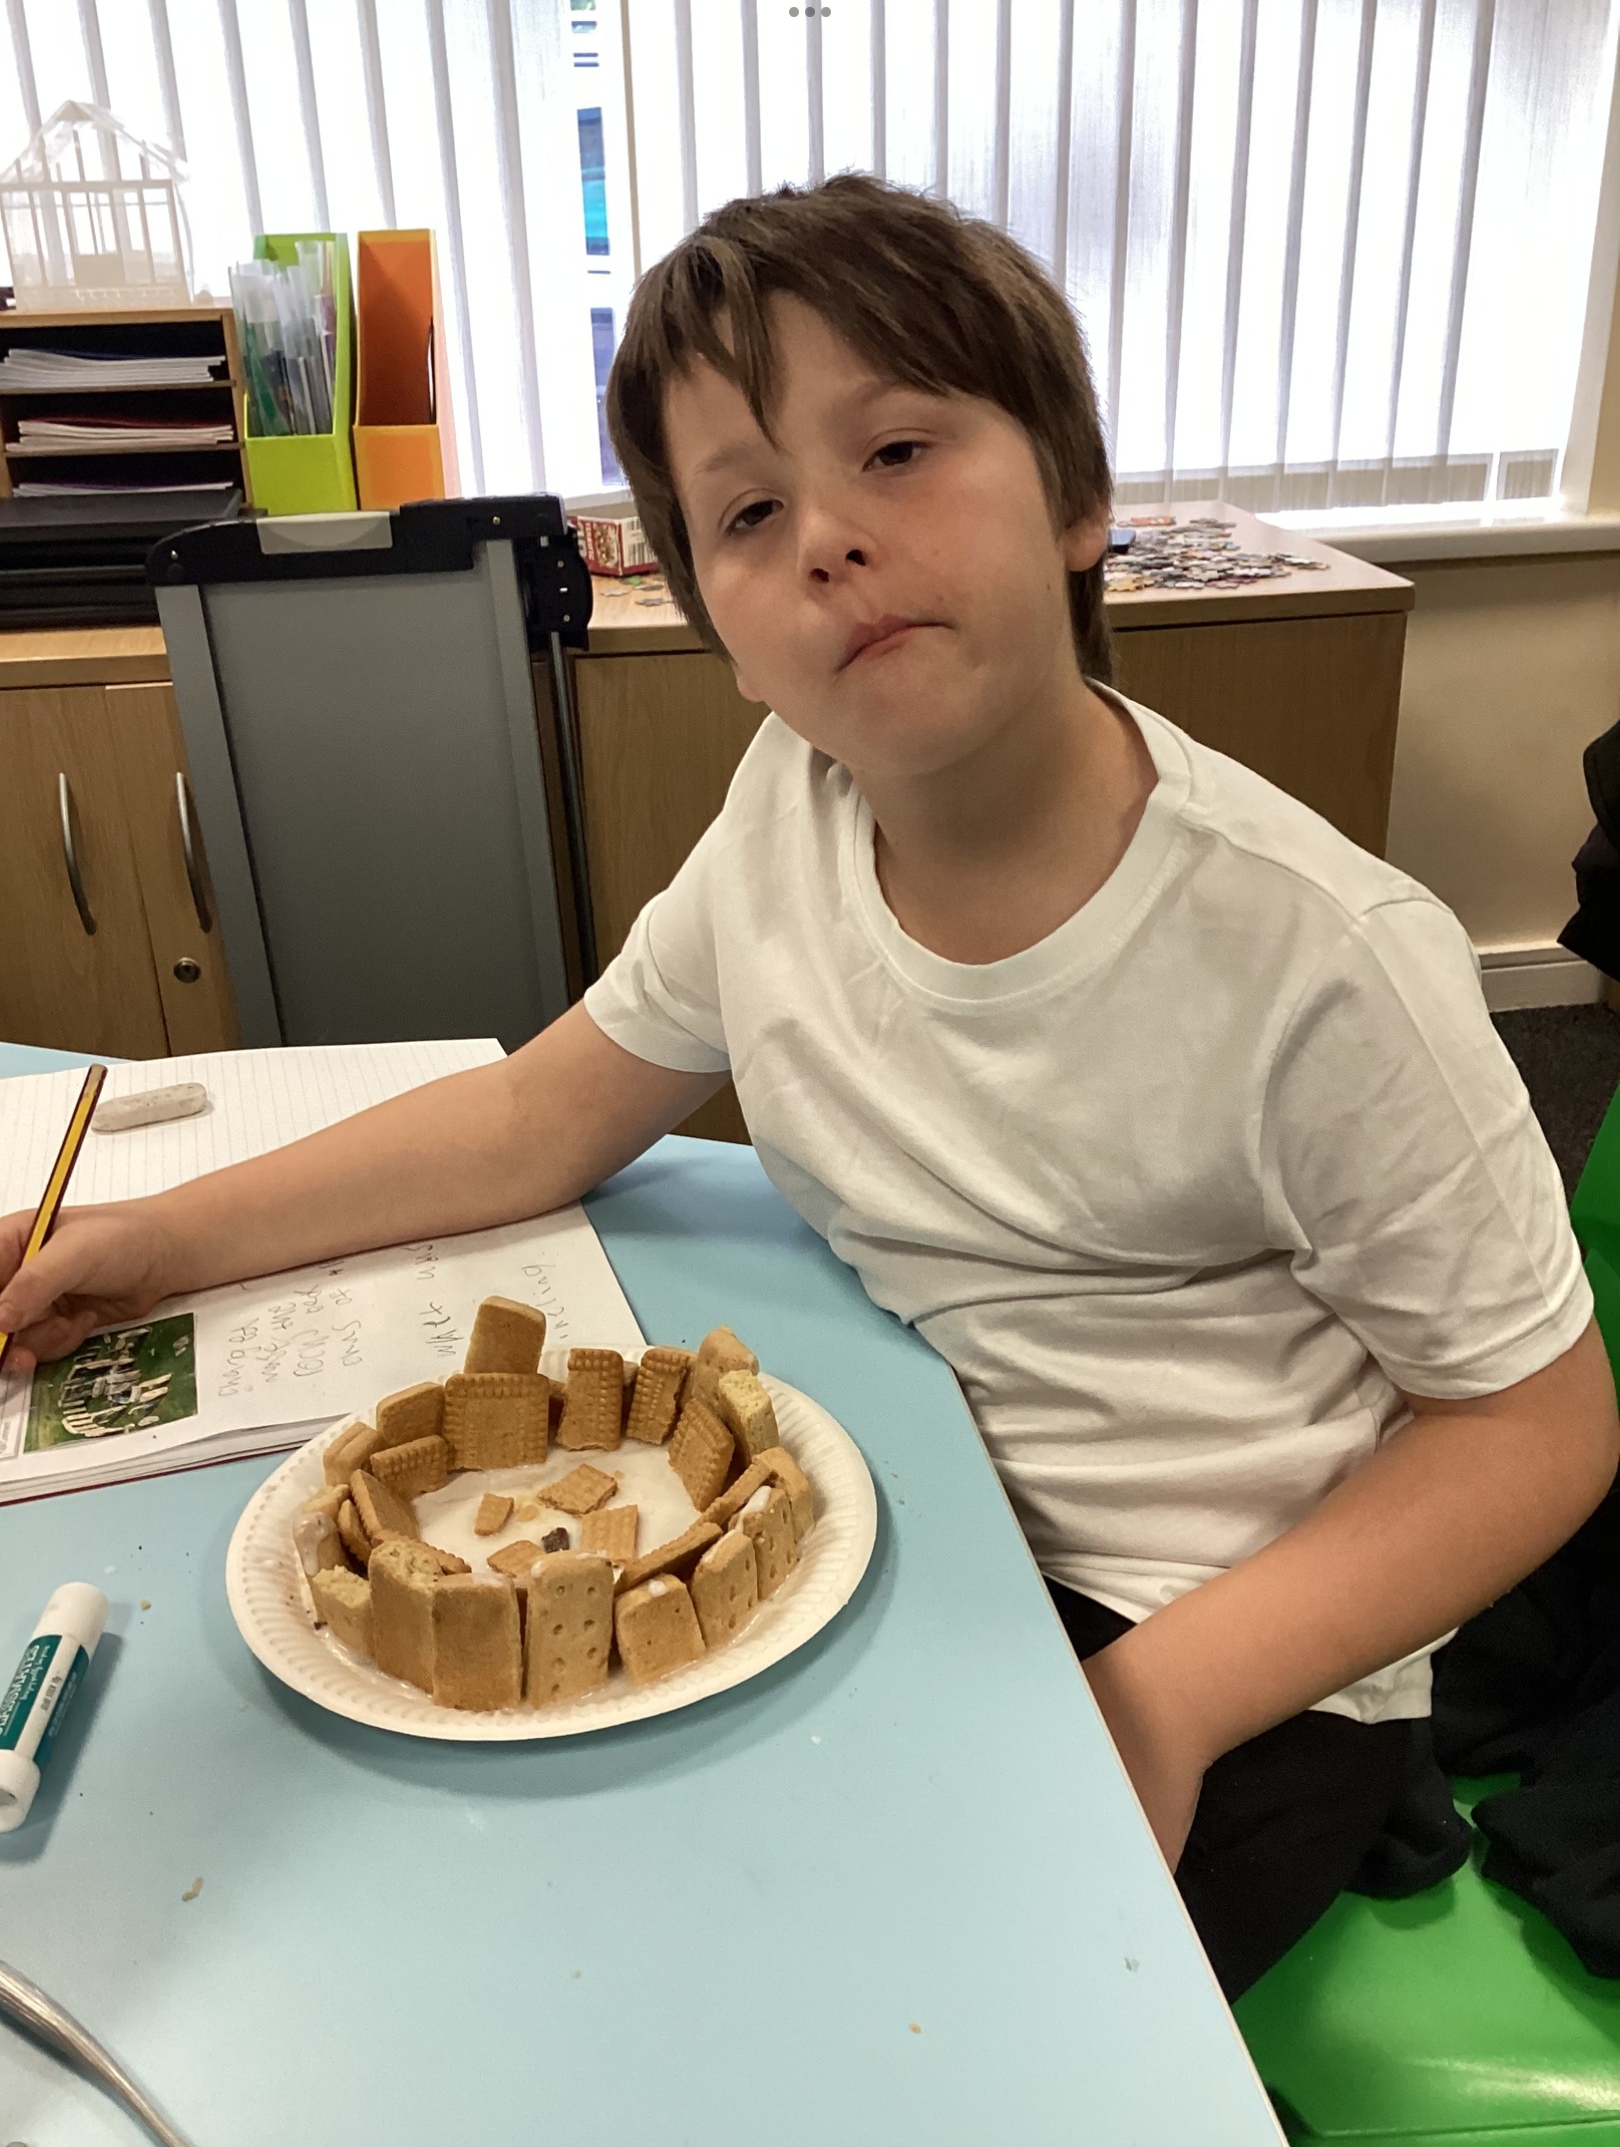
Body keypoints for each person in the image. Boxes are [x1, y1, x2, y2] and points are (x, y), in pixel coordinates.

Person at [1, 175, 1614, 1999]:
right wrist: (157, 1240)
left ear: (1078, 499)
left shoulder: (1324, 955)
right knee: (534, 1906)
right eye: (751, 512)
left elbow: (1534, 1428)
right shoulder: (788, 808)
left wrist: (1164, 1703)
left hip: (1224, 1643)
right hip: (908, 1517)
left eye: (900, 450)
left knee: (901, 2020)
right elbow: (543, 1113)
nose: (831, 538)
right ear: (717, 618)